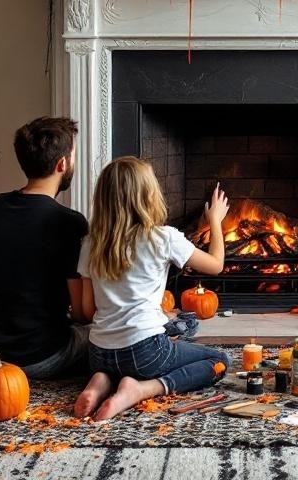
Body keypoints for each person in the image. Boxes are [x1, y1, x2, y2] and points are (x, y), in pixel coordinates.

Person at [74, 157, 231, 420]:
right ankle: (141, 389)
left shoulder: (91, 243)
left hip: (99, 353)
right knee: (218, 362)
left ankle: (100, 381)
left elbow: (89, 310)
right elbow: (215, 264)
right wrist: (215, 220)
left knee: (127, 356)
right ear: (148, 195)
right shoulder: (162, 237)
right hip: (144, 352)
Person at [0, 116, 91, 378]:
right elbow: (81, 312)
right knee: (105, 337)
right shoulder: (70, 222)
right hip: (38, 357)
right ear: (62, 164)